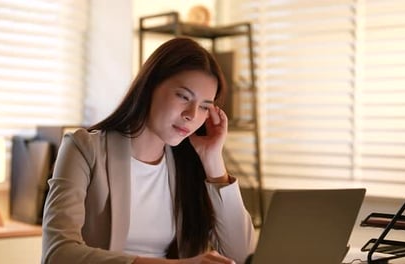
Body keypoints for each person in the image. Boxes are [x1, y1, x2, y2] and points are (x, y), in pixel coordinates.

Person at [41, 37, 255, 264]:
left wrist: (213, 161)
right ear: (150, 86)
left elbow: (243, 255)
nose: (192, 115)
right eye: (183, 96)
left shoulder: (191, 164)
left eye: (204, 106)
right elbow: (57, 255)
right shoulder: (83, 148)